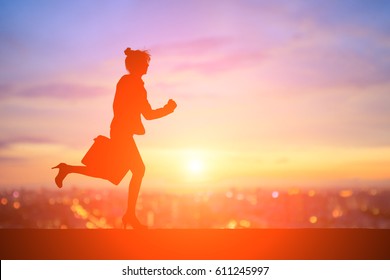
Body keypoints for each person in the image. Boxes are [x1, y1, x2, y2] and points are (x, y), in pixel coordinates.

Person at [52, 48, 177, 229]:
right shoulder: (132, 83)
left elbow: (136, 112)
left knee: (111, 174)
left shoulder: (130, 83)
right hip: (122, 133)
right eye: (145, 63)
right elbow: (147, 115)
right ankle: (130, 216)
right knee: (139, 170)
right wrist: (168, 109)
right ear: (137, 65)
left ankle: (67, 168)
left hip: (120, 131)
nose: (148, 66)